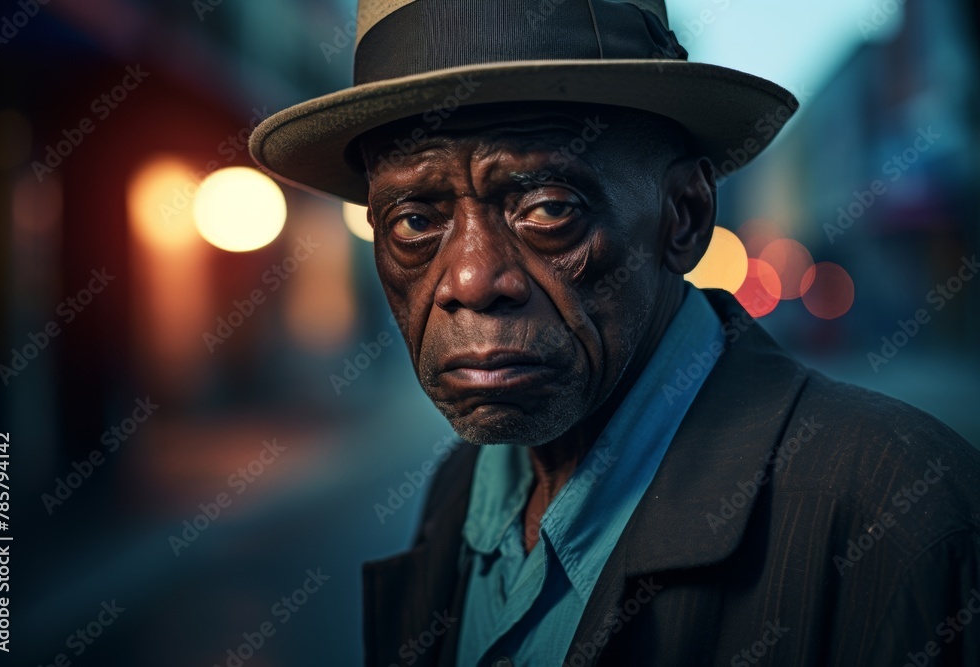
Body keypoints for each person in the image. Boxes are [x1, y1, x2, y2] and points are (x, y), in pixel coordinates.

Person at [250, 1, 980, 665]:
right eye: (413, 221)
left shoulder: (902, 515)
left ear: (685, 214)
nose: (471, 279)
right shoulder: (458, 490)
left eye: (546, 206)